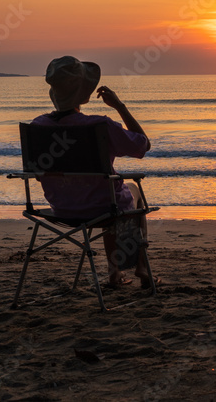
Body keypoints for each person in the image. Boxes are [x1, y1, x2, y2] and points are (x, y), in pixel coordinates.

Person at [31, 56, 157, 289]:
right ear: (84, 94)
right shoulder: (100, 125)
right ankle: (141, 268)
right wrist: (120, 106)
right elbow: (143, 146)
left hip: (62, 210)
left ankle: (115, 273)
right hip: (102, 208)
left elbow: (38, 172)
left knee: (110, 195)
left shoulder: (38, 126)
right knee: (128, 194)